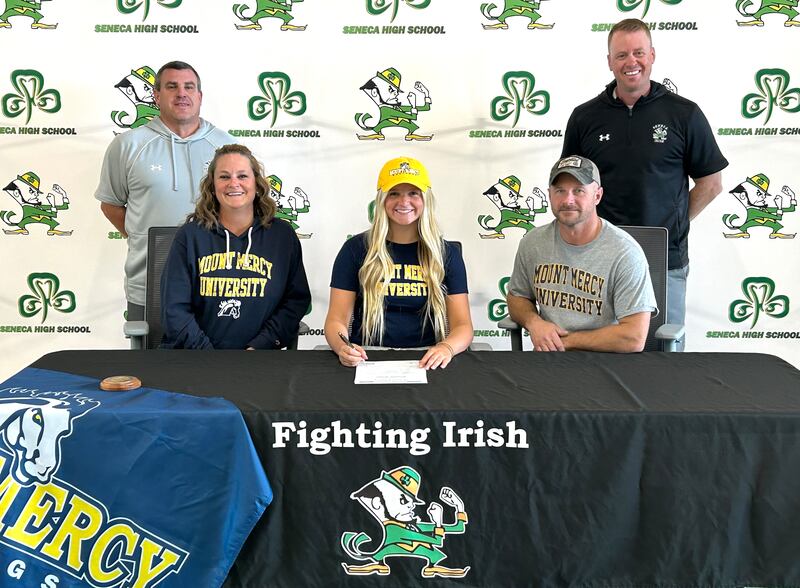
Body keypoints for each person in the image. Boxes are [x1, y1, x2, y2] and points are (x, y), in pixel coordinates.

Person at [561, 18, 727, 347]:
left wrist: (674, 220)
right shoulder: (585, 117)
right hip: (600, 260)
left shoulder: (684, 114)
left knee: (663, 360)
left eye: (638, 52)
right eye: (621, 55)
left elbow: (711, 183)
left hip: (664, 260)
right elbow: (570, 186)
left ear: (652, 55)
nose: (631, 62)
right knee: (600, 359)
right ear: (609, 61)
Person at [95, 60, 234, 321]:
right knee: (148, 362)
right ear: (156, 96)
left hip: (216, 285)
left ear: (199, 96)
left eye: (189, 87)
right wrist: (147, 239)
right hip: (149, 286)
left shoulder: (226, 147)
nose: (181, 93)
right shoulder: (127, 145)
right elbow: (111, 205)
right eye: (172, 86)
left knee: (217, 363)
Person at [324, 156, 473, 369]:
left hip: (428, 358)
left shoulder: (446, 253)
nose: (404, 202)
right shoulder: (355, 249)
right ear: (382, 200)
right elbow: (336, 319)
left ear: (425, 200)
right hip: (367, 359)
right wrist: (342, 347)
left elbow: (463, 325)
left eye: (413, 193)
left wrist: (446, 348)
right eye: (394, 193)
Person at [159, 144, 310, 349]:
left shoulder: (282, 236)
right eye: (224, 177)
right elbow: (174, 309)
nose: (233, 183)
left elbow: (295, 301)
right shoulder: (189, 236)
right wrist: (208, 355)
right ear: (212, 185)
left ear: (256, 184)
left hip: (260, 360)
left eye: (242, 176)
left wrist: (260, 345)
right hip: (195, 359)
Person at [507, 155, 656, 352]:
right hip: (548, 361)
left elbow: (633, 337)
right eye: (560, 191)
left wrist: (564, 342)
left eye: (579, 191)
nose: (568, 200)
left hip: (607, 362)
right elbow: (517, 297)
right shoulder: (532, 243)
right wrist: (535, 323)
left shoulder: (625, 252)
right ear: (550, 195)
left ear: (597, 196)